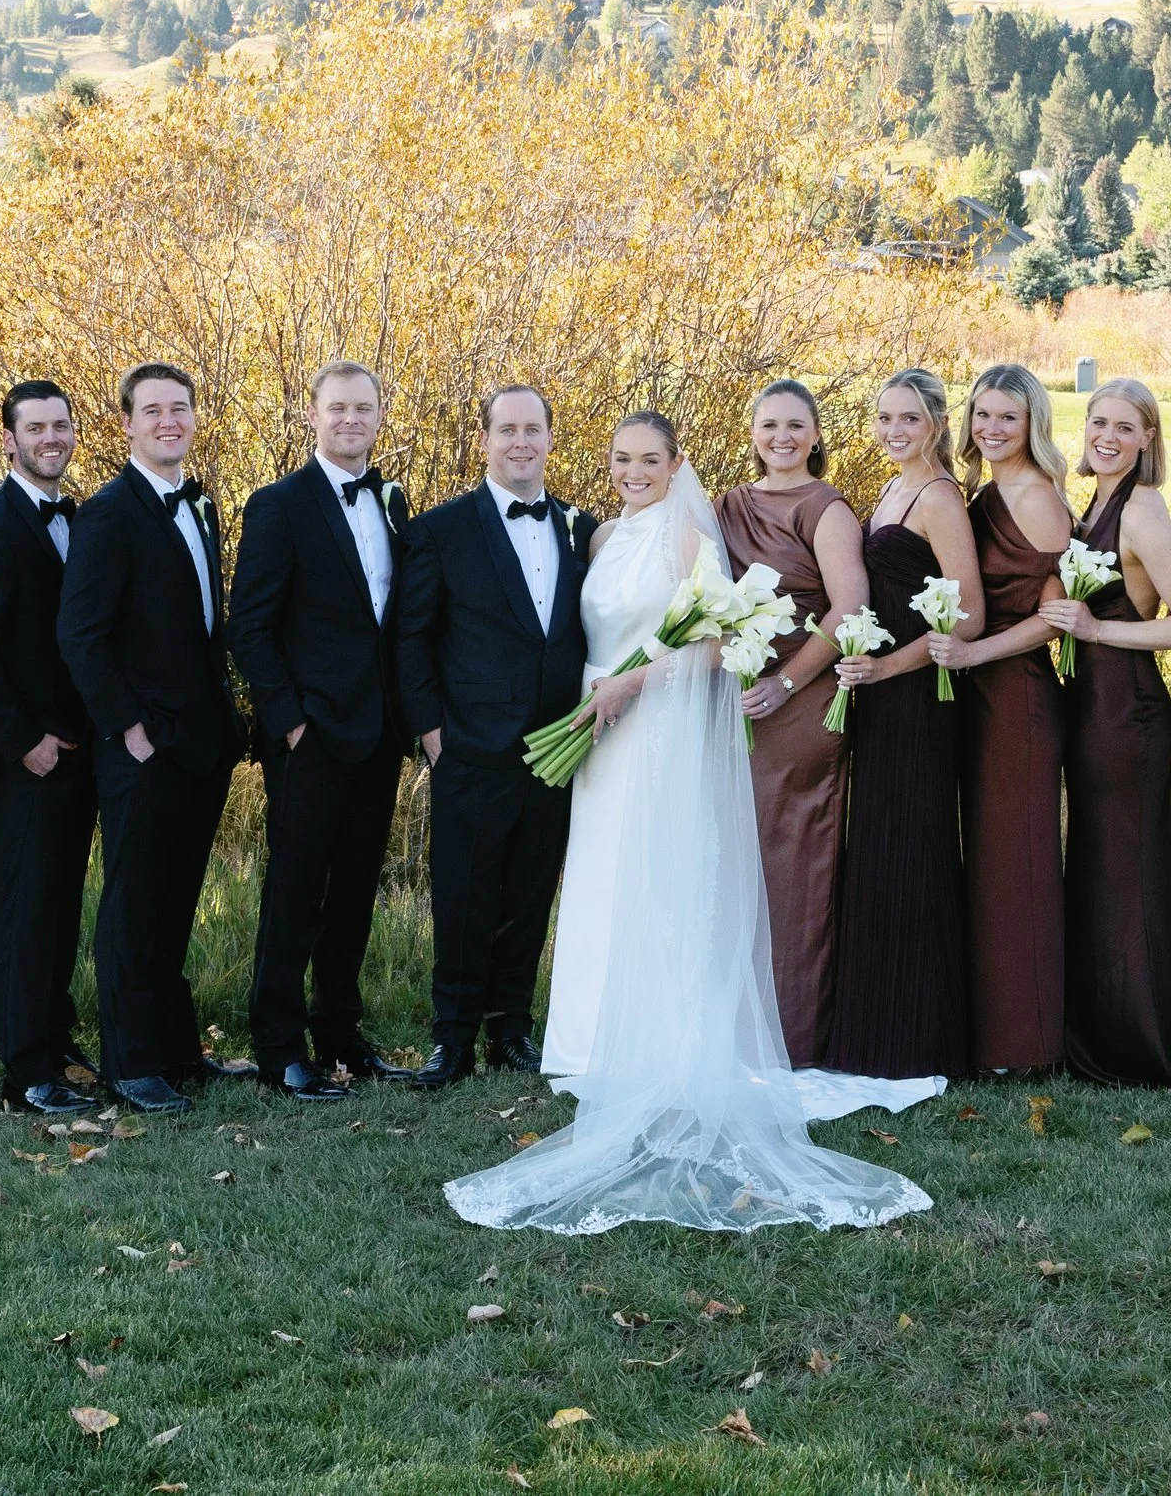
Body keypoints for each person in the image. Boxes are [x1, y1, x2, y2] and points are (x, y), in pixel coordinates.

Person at [445, 412, 937, 1235]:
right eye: (621, 459)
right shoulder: (601, 537)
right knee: (600, 874)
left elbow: (723, 641)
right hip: (598, 727)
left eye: (649, 460)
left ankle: (656, 1043)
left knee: (654, 876)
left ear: (677, 465)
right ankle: (583, 1041)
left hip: (657, 724)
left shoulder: (685, 541)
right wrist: (602, 690)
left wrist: (633, 683)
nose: (634, 472)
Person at [59, 361, 246, 1117]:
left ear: (194, 418)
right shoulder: (108, 512)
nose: (169, 420)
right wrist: (127, 728)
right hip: (140, 745)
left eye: (181, 408)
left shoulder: (199, 507)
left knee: (175, 901)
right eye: (153, 410)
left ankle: (174, 1048)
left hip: (199, 742)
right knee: (134, 904)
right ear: (128, 424)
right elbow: (81, 634)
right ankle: (131, 1063)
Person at [393, 384, 594, 1089]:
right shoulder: (439, 530)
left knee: (530, 895)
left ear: (548, 437)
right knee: (463, 897)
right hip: (471, 749)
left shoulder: (581, 527)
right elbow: (411, 639)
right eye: (506, 429)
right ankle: (452, 1040)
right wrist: (432, 735)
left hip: (560, 749)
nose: (520, 442)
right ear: (484, 439)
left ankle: (513, 1029)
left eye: (532, 428)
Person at [228, 361, 415, 1103]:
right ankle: (279, 1045)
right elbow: (251, 624)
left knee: (356, 891)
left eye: (363, 408)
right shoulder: (278, 505)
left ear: (378, 416)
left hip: (376, 735)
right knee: (296, 889)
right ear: (312, 415)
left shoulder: (395, 503)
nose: (350, 420)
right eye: (336, 408)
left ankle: (341, 1032)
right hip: (310, 736)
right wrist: (290, 723)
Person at [1036, 379, 1171, 1087]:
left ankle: (1136, 1044)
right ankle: (1091, 1031)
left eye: (1124, 426)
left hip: (1126, 710)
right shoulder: (1090, 502)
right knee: (1095, 868)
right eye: (1097, 420)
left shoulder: (1143, 509)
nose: (1106, 435)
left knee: (1126, 872)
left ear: (1147, 439)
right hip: (1086, 708)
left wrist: (1101, 627)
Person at [0, 380, 99, 1115]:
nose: (51, 438)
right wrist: (21, 742)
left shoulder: (79, 515)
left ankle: (56, 1039)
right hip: (34, 756)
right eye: (36, 427)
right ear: (8, 439)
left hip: (83, 751)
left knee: (61, 905)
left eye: (61, 425)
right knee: (25, 909)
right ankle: (26, 1071)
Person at [829, 369, 981, 1081]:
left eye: (909, 418)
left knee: (912, 849)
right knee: (879, 850)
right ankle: (872, 1030)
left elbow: (969, 613)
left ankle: (918, 1038)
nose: (894, 430)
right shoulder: (889, 487)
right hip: (878, 694)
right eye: (884, 417)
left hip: (919, 696)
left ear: (939, 424)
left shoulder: (940, 496)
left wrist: (886, 670)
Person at [713, 379, 866, 1066]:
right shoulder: (727, 505)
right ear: (752, 431)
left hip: (800, 699)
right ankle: (737, 1026)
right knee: (735, 864)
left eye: (795, 424)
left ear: (814, 433)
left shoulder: (825, 507)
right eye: (769, 423)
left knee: (793, 866)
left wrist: (786, 680)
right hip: (737, 699)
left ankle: (797, 1036)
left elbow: (849, 609)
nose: (781, 436)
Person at [942, 363, 1069, 1073]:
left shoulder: (1037, 497)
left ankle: (1029, 1042)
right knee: (989, 864)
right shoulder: (987, 490)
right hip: (981, 694)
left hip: (1017, 693)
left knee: (1016, 864)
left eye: (1007, 418)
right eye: (982, 415)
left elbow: (1052, 618)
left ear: (1032, 426)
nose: (991, 428)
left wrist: (973, 652)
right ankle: (993, 1029)